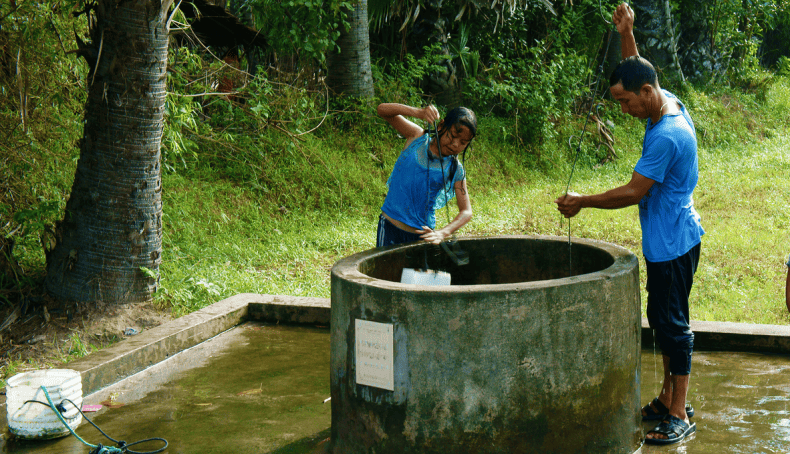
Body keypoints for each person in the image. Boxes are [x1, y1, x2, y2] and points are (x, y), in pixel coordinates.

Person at [555, 2, 704, 446]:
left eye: (624, 101)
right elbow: (639, 69)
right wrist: (627, 32)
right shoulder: (662, 100)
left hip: (673, 243)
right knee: (662, 320)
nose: (622, 109)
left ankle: (679, 411)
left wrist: (583, 201)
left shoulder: (666, 135)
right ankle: (664, 397)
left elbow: (633, 191)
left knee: (674, 327)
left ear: (644, 93)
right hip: (671, 238)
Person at [376, 103, 476, 247]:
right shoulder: (417, 137)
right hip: (390, 227)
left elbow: (466, 211)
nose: (455, 144)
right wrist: (418, 112)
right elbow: (382, 110)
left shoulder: (455, 168)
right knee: (386, 270)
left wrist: (443, 232)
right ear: (441, 126)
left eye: (463, 142)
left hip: (421, 237)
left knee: (414, 271)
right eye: (453, 136)